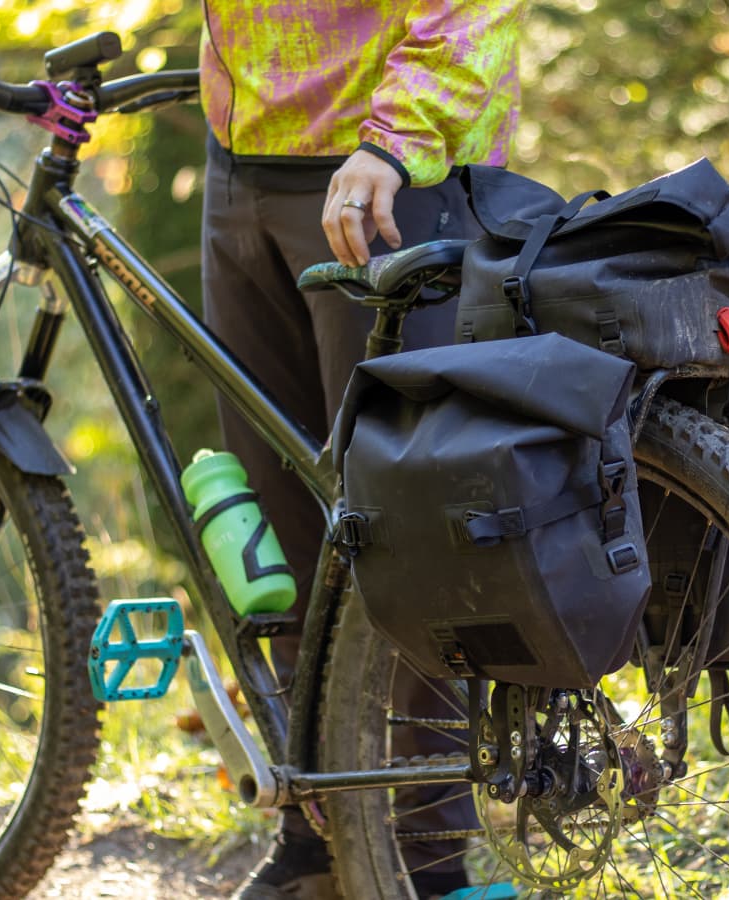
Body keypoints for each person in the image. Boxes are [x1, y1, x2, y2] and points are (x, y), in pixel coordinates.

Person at [196, 4, 526, 899]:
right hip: (241, 173)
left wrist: (391, 141)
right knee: (287, 526)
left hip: (389, 178)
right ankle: (322, 833)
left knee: (404, 530)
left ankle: (425, 859)